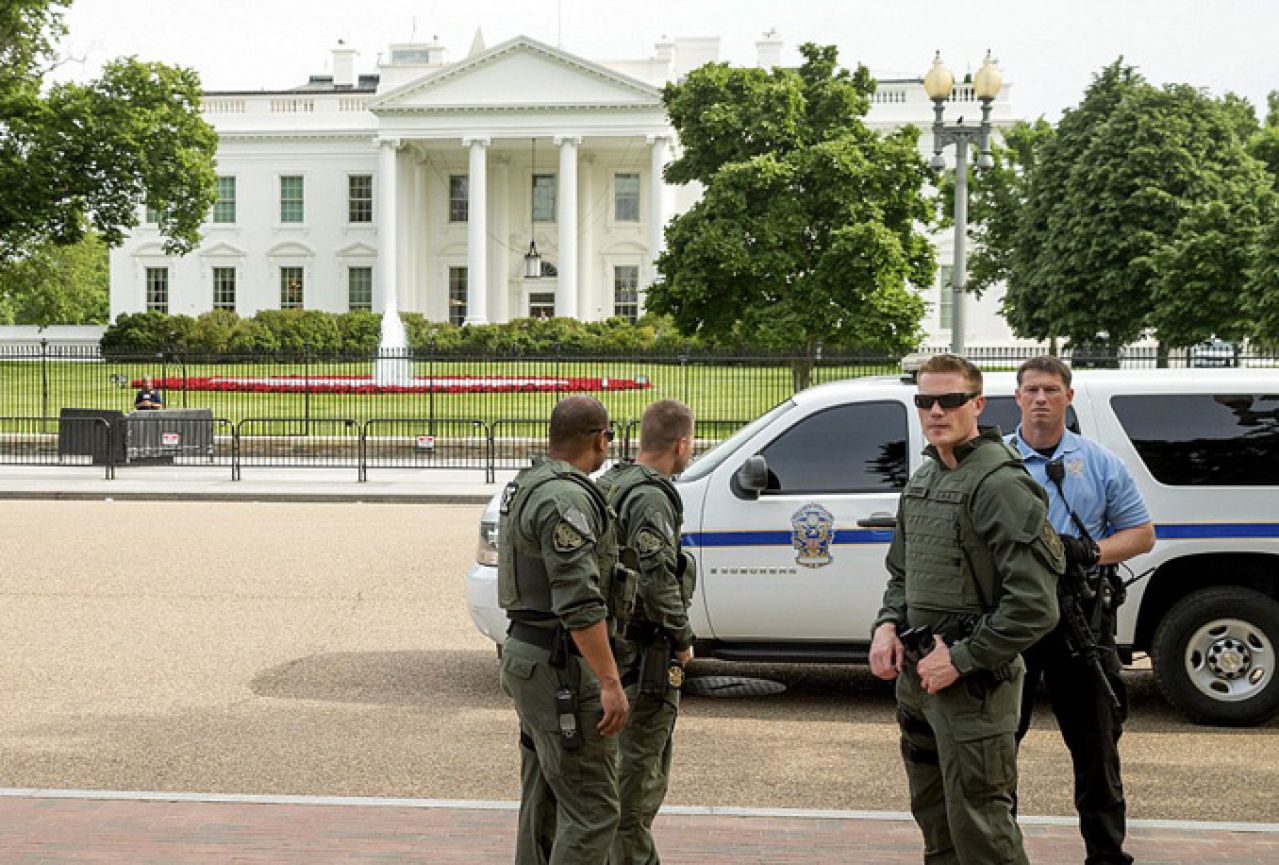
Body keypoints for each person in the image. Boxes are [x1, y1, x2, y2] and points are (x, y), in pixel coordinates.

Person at [869, 353, 1063, 865]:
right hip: (920, 681)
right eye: (925, 401)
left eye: (951, 400)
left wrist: (960, 659)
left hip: (974, 689)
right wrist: (887, 625)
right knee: (937, 828)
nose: (937, 411)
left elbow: (1034, 607)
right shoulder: (927, 475)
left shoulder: (999, 483)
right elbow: (902, 574)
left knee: (983, 834)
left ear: (977, 403)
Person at [1008, 356, 1155, 865]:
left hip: (1081, 617)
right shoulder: (995, 461)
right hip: (1008, 618)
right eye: (1032, 390)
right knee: (999, 743)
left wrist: (1089, 552)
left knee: (1096, 746)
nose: (1041, 399)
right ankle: (997, 849)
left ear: (1069, 396)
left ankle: (1107, 854)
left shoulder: (1099, 462)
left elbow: (1141, 535)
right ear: (1018, 396)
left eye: (1051, 389)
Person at [497, 395, 633, 865]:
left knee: (544, 798)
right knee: (592, 809)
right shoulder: (567, 498)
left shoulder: (528, 482)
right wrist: (611, 682)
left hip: (530, 656)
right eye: (609, 438)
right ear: (599, 438)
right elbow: (578, 601)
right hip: (561, 669)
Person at [597, 400, 697, 865]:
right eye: (690, 444)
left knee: (618, 774)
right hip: (645, 655)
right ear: (681, 444)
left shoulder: (611, 482)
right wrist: (682, 635)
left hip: (615, 647)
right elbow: (657, 576)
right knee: (638, 782)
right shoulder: (652, 496)